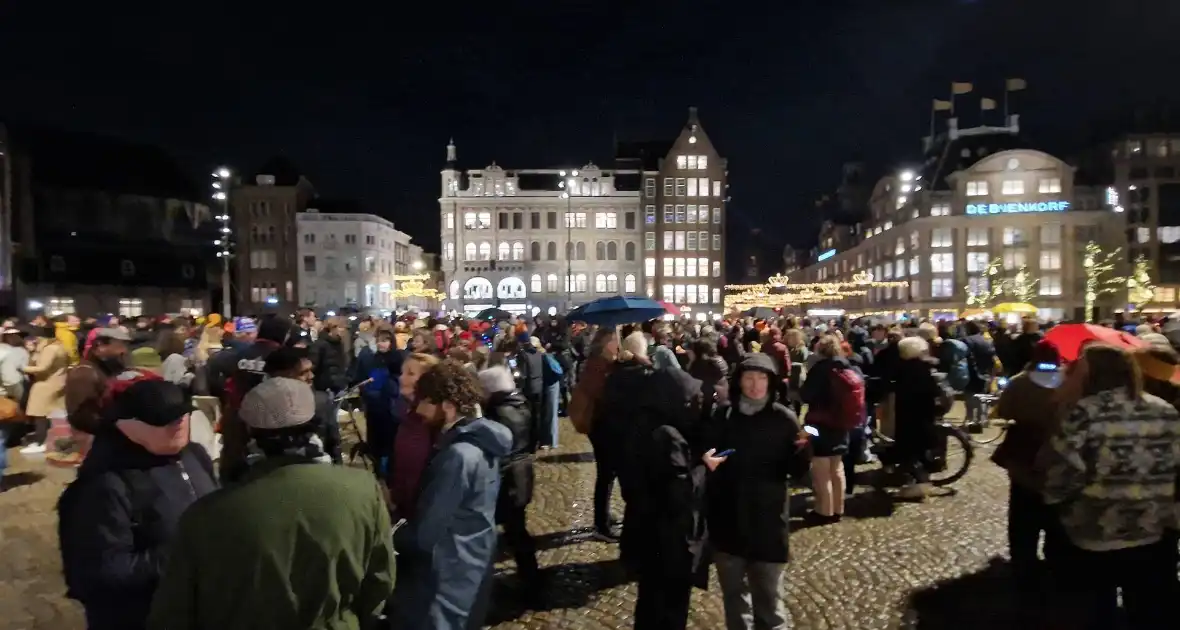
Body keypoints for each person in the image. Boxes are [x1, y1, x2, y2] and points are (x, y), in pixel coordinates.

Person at [147, 376, 394, 630]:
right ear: (314, 425)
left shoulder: (206, 516)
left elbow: (174, 611)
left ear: (249, 432)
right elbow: (379, 583)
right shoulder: (363, 490)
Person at [58, 380, 218, 630]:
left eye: (183, 415)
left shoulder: (195, 455)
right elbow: (100, 572)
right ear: (127, 424)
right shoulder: (103, 485)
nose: (179, 423)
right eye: (162, 419)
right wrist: (184, 552)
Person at [1041, 343, 1180, 629]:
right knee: (1147, 611)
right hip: (1151, 528)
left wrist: (1057, 505)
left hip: (1095, 529)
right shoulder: (1164, 410)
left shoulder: (1085, 412)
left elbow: (1063, 472)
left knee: (1095, 609)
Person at [393, 360, 511, 630]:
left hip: (449, 571)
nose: (419, 409)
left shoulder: (458, 455)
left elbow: (426, 534)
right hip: (472, 560)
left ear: (446, 406)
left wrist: (388, 533)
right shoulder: (482, 440)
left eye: (424, 402)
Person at [699, 354, 811, 630]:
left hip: (768, 524)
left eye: (762, 378)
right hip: (728, 522)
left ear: (771, 382)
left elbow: (796, 472)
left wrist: (804, 452)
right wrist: (708, 459)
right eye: (749, 377)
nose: (755, 385)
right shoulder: (724, 415)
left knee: (770, 604)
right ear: (739, 381)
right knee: (735, 602)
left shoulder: (783, 419)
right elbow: (716, 454)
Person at [991, 340, 1065, 616]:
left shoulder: (1021, 381)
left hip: (1025, 455)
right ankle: (1056, 559)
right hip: (1059, 455)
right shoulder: (1069, 380)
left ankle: (1024, 564)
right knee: (1055, 509)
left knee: (1022, 513)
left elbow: (1005, 410)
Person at [478, 365, 541, 595]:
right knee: (518, 530)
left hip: (507, 478)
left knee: (513, 532)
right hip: (523, 472)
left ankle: (531, 584)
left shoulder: (496, 412)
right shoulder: (522, 403)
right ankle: (531, 578)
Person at [352, 326, 405, 476]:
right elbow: (363, 379)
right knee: (375, 441)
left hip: (390, 408)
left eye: (385, 340)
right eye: (379, 340)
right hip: (374, 407)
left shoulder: (397, 359)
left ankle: (388, 472)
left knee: (389, 443)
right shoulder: (371, 358)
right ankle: (377, 470)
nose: (381, 344)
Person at [20, 325, 70, 454]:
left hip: (46, 385)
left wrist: (22, 368)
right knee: (51, 415)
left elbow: (42, 368)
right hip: (56, 383)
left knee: (40, 416)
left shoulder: (50, 349)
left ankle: (42, 442)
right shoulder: (59, 346)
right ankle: (49, 442)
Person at [309, 316, 350, 464]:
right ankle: (331, 455)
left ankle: (334, 454)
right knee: (327, 423)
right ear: (332, 328)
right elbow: (313, 367)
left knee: (332, 423)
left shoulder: (339, 344)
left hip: (337, 388)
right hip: (324, 390)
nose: (343, 331)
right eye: (341, 327)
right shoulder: (319, 345)